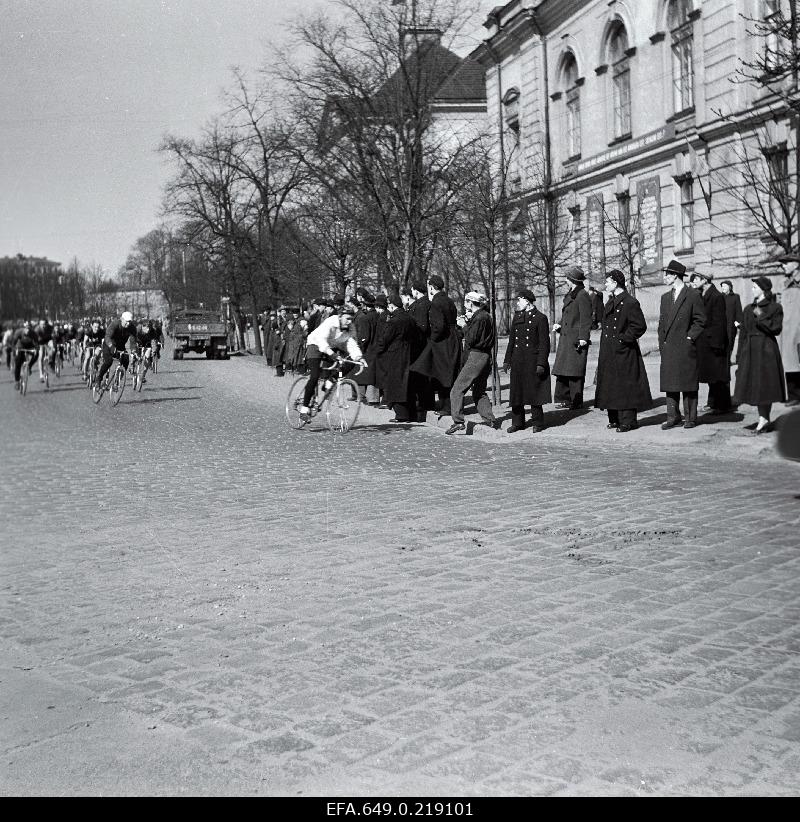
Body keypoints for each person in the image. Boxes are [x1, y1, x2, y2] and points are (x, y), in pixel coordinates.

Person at [594, 270, 652, 432]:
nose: (605, 285)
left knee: (625, 385)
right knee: (610, 384)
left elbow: (639, 326)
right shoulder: (610, 302)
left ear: (615, 283)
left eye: (607, 282)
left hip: (624, 351)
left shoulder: (630, 302)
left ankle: (628, 421)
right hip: (609, 351)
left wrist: (623, 339)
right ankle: (614, 419)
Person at [733, 277, 787, 434]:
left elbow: (776, 329)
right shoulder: (748, 309)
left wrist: (760, 314)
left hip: (766, 351)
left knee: (764, 386)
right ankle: (764, 419)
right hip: (750, 351)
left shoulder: (775, 307)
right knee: (755, 386)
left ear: (764, 290)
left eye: (755, 287)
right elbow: (743, 333)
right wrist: (739, 355)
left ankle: (764, 419)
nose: (752, 290)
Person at [658, 259, 706, 429]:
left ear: (675, 276)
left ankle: (690, 418)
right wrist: (661, 343)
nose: (665, 277)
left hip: (685, 346)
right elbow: (662, 324)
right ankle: (673, 417)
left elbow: (700, 320)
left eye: (667, 275)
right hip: (668, 346)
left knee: (688, 382)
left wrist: (690, 338)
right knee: (670, 382)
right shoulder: (665, 298)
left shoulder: (692, 295)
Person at [298, 307, 366, 424]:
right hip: (315, 344)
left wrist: (359, 358)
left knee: (348, 363)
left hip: (332, 346)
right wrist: (332, 354)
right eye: (347, 318)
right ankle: (304, 410)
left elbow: (351, 343)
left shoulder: (350, 327)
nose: (349, 321)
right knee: (315, 376)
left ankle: (331, 380)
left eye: (351, 319)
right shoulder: (331, 321)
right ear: (340, 316)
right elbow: (321, 340)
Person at [445, 292, 499, 435]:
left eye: (465, 302)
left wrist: (463, 325)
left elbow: (471, 339)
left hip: (476, 356)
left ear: (470, 303)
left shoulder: (479, 318)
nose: (464, 305)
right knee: (479, 391)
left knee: (457, 389)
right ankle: (490, 420)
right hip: (485, 356)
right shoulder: (486, 316)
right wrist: (469, 322)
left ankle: (458, 421)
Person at [410, 275, 461, 419]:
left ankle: (447, 406)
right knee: (450, 372)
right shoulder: (449, 300)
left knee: (442, 374)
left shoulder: (436, 303)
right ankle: (448, 404)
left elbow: (438, 326)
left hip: (442, 342)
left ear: (432, 287)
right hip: (452, 338)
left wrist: (432, 339)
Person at [503, 289, 551, 433]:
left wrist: (541, 363)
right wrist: (507, 360)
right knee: (517, 392)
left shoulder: (540, 318)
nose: (517, 303)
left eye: (519, 300)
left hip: (532, 361)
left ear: (527, 300)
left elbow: (544, 344)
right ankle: (517, 422)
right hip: (518, 360)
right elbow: (512, 341)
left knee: (534, 392)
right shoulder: (517, 317)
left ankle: (538, 422)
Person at [691, 271, 732, 414]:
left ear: (705, 280)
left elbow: (720, 322)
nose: (694, 281)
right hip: (706, 343)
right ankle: (712, 403)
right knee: (711, 376)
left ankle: (723, 406)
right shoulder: (702, 294)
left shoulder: (716, 296)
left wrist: (717, 344)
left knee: (719, 376)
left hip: (715, 343)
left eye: (696, 279)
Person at [552, 265, 592, 410]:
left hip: (575, 340)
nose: (566, 281)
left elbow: (586, 318)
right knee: (563, 370)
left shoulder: (582, 295)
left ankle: (576, 400)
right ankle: (565, 399)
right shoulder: (572, 294)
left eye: (567, 278)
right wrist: (559, 325)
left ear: (573, 280)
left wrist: (583, 337)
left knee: (574, 372)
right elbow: (568, 316)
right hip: (566, 338)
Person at [374, 296, 418, 422]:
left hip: (394, 353)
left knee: (394, 383)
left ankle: (401, 414)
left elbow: (385, 339)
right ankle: (411, 414)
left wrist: (378, 350)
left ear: (392, 306)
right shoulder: (410, 319)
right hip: (408, 352)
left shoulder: (394, 321)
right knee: (406, 383)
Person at [777, 253, 800, 406]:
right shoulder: (785, 283)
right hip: (787, 330)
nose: (783, 266)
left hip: (797, 330)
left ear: (796, 264)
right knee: (789, 362)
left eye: (786, 263)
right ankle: (794, 395)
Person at [96, 311, 137, 385]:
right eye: (127, 321)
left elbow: (133, 341)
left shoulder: (132, 328)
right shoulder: (115, 324)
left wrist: (134, 351)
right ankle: (99, 378)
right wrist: (111, 346)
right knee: (108, 361)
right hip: (109, 344)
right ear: (122, 319)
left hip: (120, 346)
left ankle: (117, 382)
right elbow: (107, 337)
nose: (128, 324)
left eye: (130, 322)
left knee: (126, 361)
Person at [720, 280, 743, 367]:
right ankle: (722, 360)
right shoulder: (720, 297)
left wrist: (738, 321)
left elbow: (738, 310)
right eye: (722, 286)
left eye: (724, 286)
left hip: (731, 324)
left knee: (730, 342)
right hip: (721, 324)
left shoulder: (735, 297)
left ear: (729, 287)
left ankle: (727, 359)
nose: (723, 288)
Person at [12, 320, 39, 390]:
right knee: (18, 362)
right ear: (24, 328)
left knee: (36, 354)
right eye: (26, 328)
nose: (28, 330)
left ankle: (29, 366)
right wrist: (14, 350)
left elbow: (37, 343)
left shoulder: (34, 334)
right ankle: (17, 381)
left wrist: (36, 349)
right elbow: (14, 343)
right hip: (20, 347)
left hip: (30, 347)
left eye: (29, 328)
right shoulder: (19, 332)